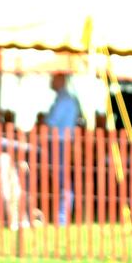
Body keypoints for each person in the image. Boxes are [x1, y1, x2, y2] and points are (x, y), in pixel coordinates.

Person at [45, 72, 81, 224]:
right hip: (63, 142)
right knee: (62, 179)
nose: (51, 81)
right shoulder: (67, 99)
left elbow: (51, 121)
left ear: (61, 80)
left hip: (59, 142)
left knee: (62, 179)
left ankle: (62, 217)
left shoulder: (64, 99)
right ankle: (62, 216)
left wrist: (43, 121)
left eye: (53, 78)